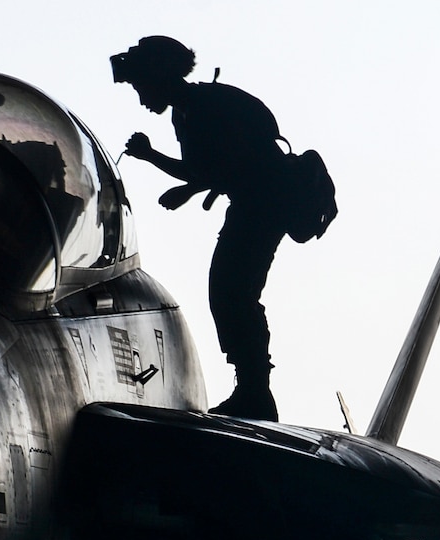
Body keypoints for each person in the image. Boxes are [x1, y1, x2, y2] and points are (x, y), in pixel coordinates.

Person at [112, 36, 334, 421]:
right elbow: (214, 169)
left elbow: (217, 168)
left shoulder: (199, 109)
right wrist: (186, 186)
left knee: (232, 293)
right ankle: (252, 389)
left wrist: (151, 157)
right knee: (232, 292)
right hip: (256, 204)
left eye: (141, 85)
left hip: (261, 206)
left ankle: (255, 392)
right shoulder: (190, 109)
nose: (141, 96)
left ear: (158, 75)